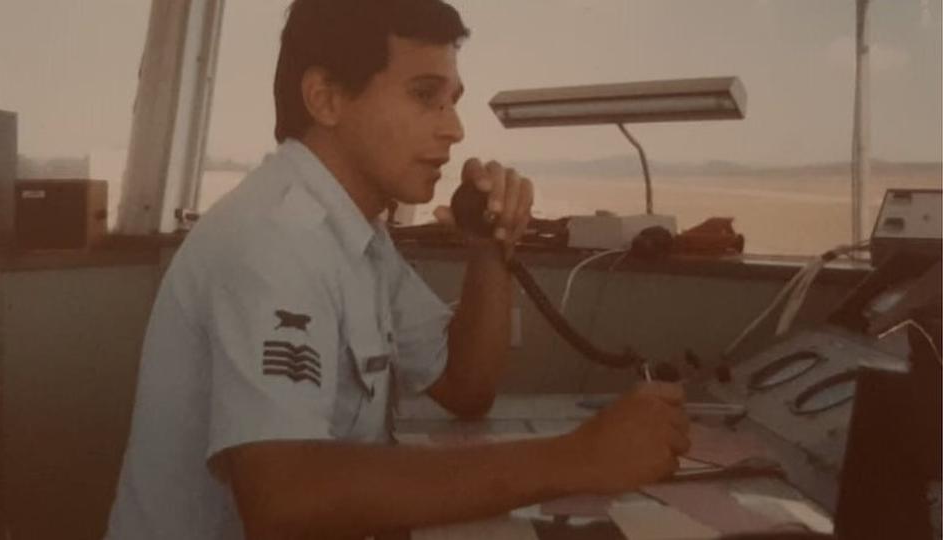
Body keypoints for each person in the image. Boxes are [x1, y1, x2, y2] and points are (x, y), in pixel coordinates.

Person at [105, 0, 690, 538]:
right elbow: (284, 499)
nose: (454, 129)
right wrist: (576, 458)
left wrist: (488, 249)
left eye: (453, 100)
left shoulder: (359, 236)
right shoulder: (273, 238)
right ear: (326, 98)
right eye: (424, 94)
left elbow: (465, 387)